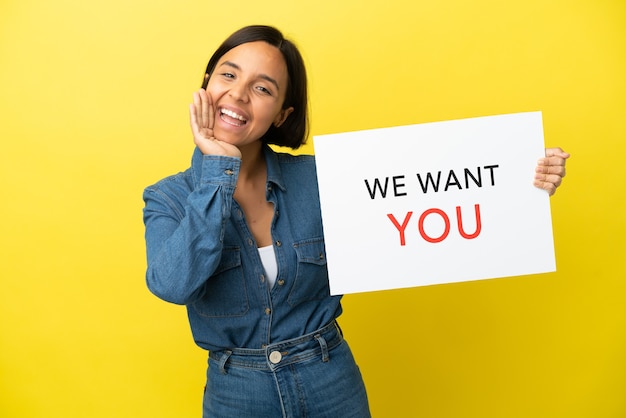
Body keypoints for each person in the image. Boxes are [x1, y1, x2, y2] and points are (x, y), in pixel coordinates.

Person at [142, 25, 570, 418]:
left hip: (330, 382)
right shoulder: (167, 198)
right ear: (206, 84)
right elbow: (173, 285)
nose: (237, 95)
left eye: (262, 88)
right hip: (237, 394)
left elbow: (434, 199)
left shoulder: (325, 178)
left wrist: (520, 184)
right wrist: (218, 170)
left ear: (282, 115)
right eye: (228, 75)